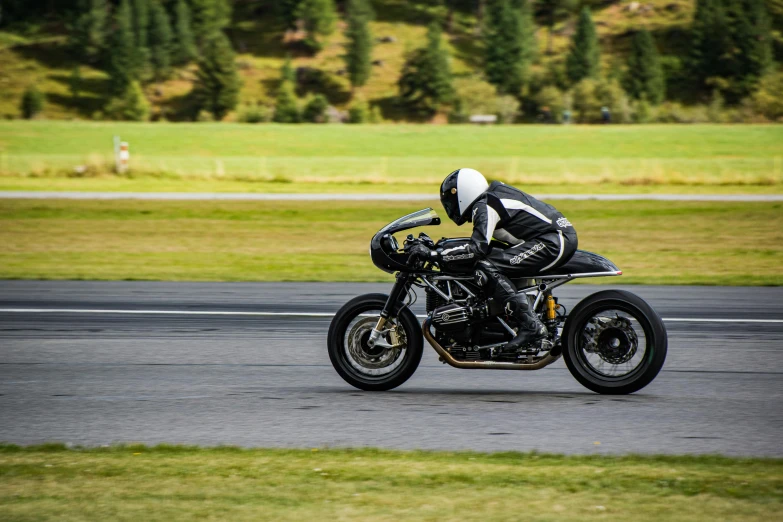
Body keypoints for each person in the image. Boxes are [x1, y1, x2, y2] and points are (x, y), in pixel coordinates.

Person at [412, 168, 578, 351]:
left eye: (450, 200)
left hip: (552, 241)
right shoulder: (490, 198)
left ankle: (531, 326)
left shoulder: (485, 205)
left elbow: (477, 248)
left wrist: (434, 254)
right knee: (492, 260)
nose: (450, 206)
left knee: (486, 266)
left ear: (462, 193)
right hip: (552, 238)